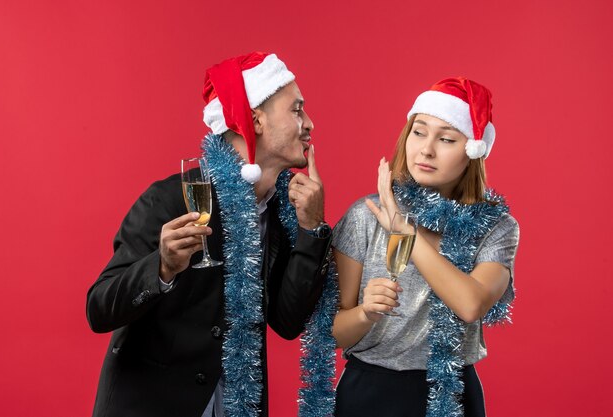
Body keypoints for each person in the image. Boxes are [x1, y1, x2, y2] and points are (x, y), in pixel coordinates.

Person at [86, 52, 337, 417]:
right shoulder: (171, 198)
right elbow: (99, 308)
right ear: (256, 120)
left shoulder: (285, 210)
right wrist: (163, 267)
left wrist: (311, 229)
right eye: (296, 110)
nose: (309, 123)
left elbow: (287, 322)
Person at [331, 77, 519, 417]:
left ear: (472, 151)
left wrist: (406, 234)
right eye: (419, 132)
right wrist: (365, 313)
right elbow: (338, 332)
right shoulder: (365, 216)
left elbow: (471, 303)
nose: (426, 149)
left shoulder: (496, 227)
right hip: (369, 395)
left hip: (452, 394)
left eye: (446, 138)